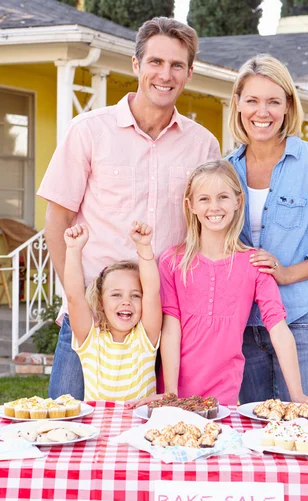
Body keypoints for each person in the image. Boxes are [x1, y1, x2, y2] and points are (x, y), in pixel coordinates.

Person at [38, 17, 221, 401]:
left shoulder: (203, 145)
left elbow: (209, 231)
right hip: (93, 317)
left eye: (176, 65)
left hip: (164, 318)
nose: (164, 74)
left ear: (189, 73)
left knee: (165, 438)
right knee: (64, 433)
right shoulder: (88, 130)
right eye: (155, 62)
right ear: (136, 65)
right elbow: (57, 221)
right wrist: (77, 300)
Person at [227, 55, 308, 405]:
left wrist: (286, 274)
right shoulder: (225, 170)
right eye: (252, 100)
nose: (262, 111)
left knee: (304, 431)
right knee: (252, 437)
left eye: (273, 101)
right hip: (243, 325)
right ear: (238, 103)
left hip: (300, 321)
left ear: (288, 105)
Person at [159, 160, 308, 408]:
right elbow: (171, 329)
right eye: (204, 199)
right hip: (174, 391)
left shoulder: (254, 264)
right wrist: (171, 394)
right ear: (191, 205)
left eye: (223, 197)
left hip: (223, 394)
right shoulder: (172, 262)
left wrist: (298, 395)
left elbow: (278, 328)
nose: (214, 207)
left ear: (238, 201)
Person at [63, 221, 161, 403]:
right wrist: (73, 250)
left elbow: (152, 291)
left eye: (135, 295)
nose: (126, 301)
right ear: (100, 301)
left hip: (141, 429)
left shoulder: (145, 337)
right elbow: (74, 297)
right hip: (98, 428)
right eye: (116, 294)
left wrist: (144, 247)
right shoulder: (90, 338)